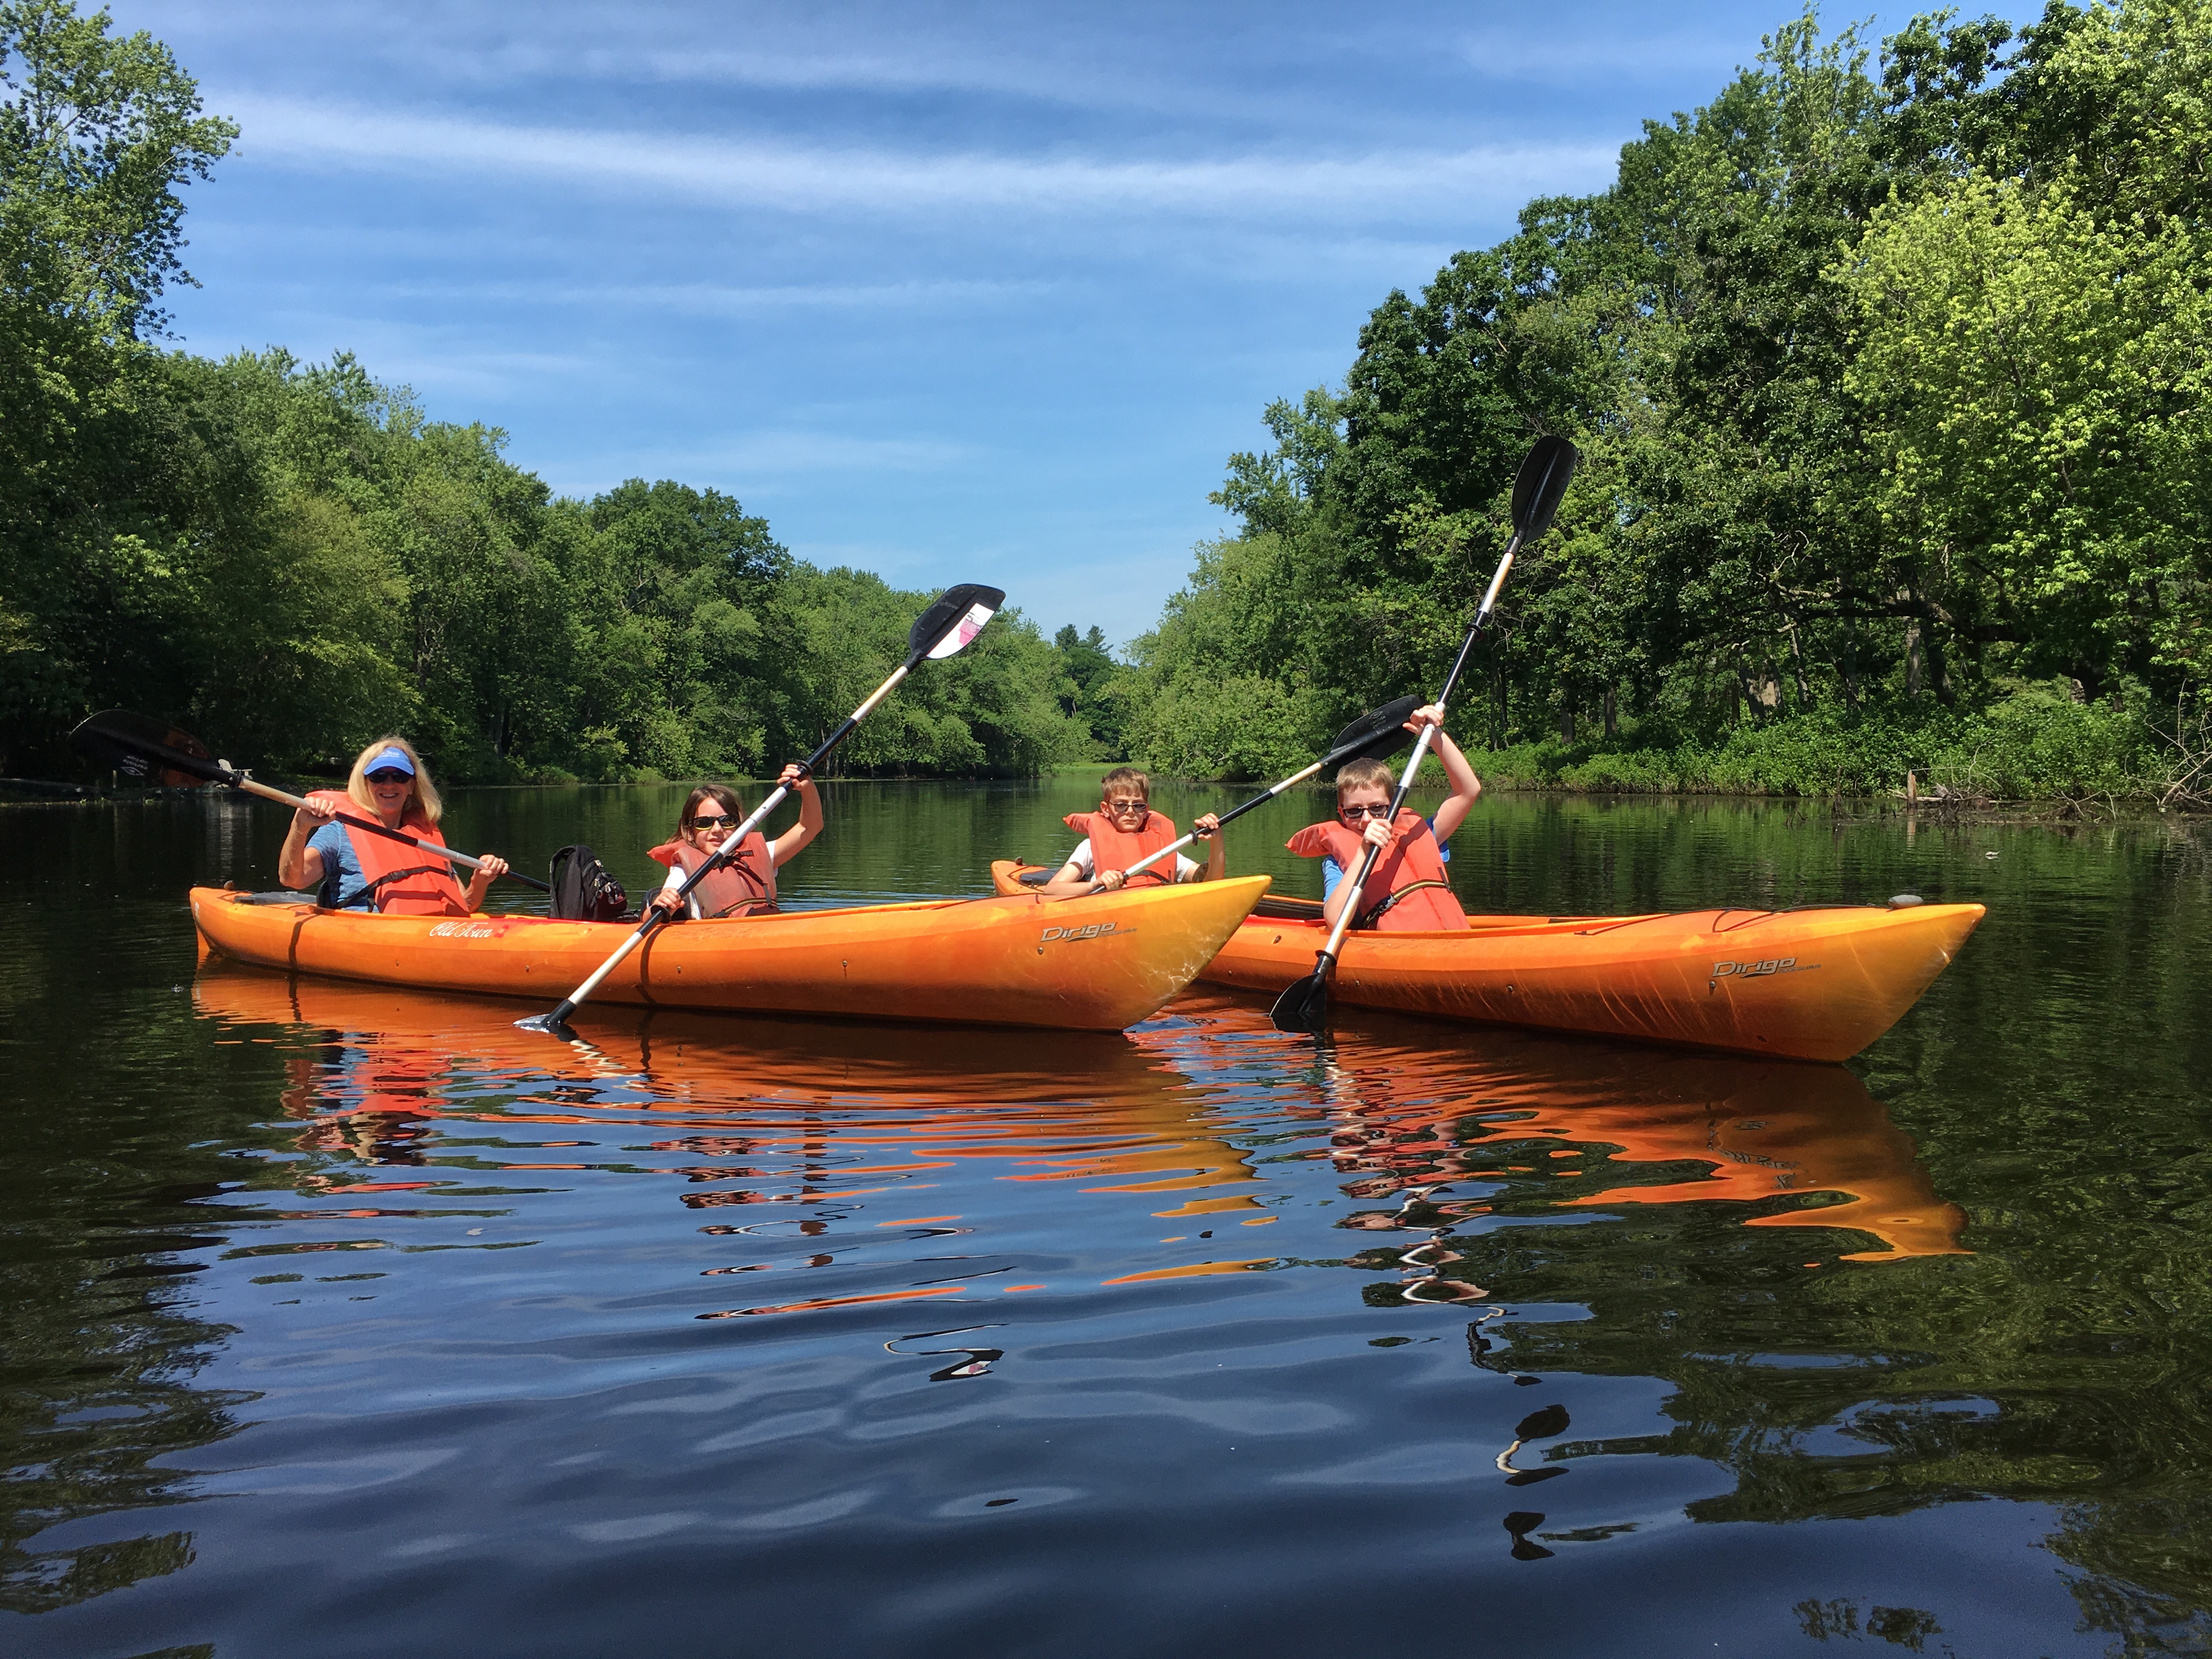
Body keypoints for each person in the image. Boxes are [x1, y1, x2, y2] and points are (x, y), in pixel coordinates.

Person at [1288, 703, 1479, 932]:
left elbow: (1468, 791)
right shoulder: (1337, 862)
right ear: (1341, 812)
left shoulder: (1419, 835)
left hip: (1454, 940)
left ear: (1393, 806)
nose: (1367, 819)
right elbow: (1335, 919)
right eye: (1354, 811)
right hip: (1398, 947)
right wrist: (1363, 852)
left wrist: (1433, 734)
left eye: (1378, 808)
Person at [278, 738, 510, 915]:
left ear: (411, 786)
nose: (389, 784)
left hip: (430, 935)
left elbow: (465, 906)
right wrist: (300, 827)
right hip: (367, 936)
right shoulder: (339, 830)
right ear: (365, 784)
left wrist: (479, 882)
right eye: (378, 776)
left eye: (399, 776)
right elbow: (293, 879)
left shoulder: (425, 835)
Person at [646, 765, 821, 919]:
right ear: (690, 832)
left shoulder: (762, 854)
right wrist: (663, 902)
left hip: (765, 935)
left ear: (739, 826)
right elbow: (651, 917)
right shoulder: (683, 872)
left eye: (727, 821)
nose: (717, 829)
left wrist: (807, 788)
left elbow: (810, 827)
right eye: (704, 823)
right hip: (717, 939)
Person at [1036, 765, 1223, 898]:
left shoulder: (1163, 850)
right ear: (1106, 808)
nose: (1131, 812)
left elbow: (1211, 882)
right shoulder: (1089, 847)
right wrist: (1095, 884)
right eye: (1121, 805)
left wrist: (1216, 839)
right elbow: (1053, 889)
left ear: (1146, 808)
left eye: (1138, 805)